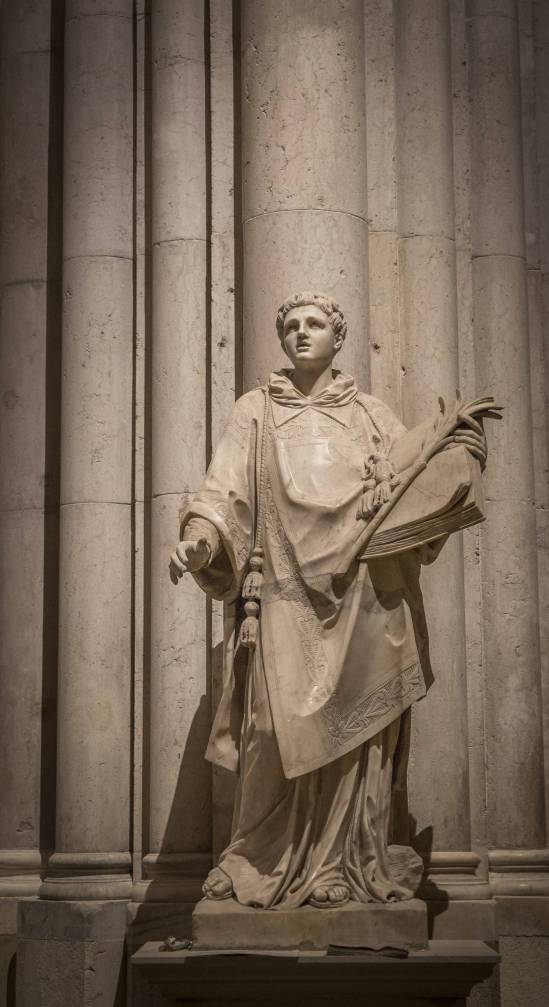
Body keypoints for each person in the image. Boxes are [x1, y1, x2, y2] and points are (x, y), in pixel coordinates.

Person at [169, 292, 486, 910]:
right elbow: (221, 493)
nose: (301, 332)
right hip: (285, 597)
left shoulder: (371, 414)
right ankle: (257, 857)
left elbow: (413, 487)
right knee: (268, 731)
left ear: (338, 338)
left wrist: (459, 455)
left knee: (356, 740)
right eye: (291, 325)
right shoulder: (255, 411)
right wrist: (199, 542)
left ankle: (342, 861)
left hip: (364, 599)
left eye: (315, 323)